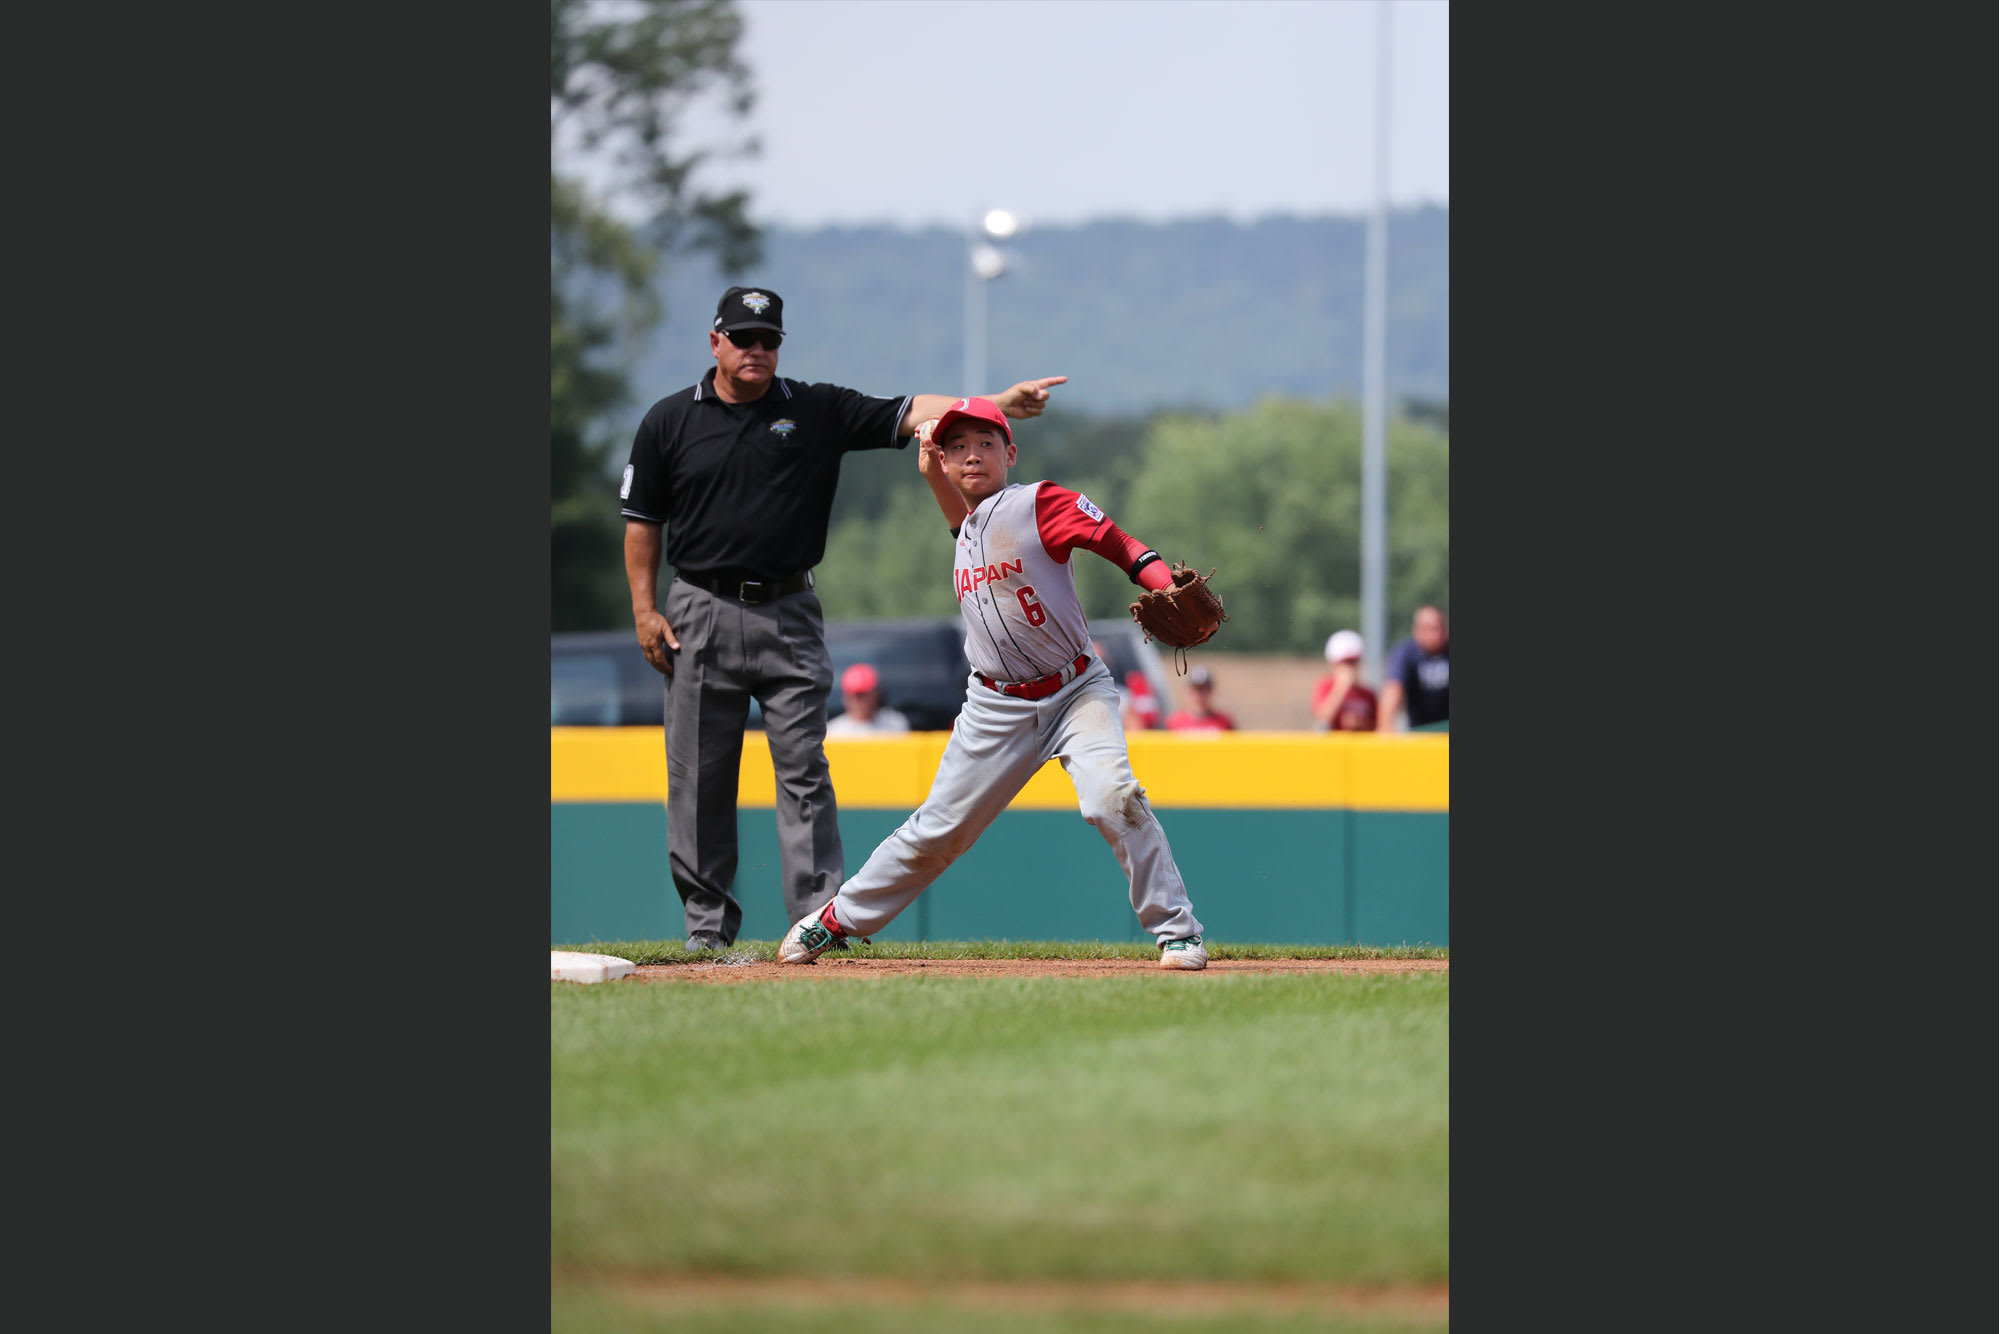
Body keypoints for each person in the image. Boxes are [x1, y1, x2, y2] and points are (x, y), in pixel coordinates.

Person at [620, 284, 1067, 951]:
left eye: (768, 339)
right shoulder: (669, 421)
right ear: (715, 342)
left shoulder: (814, 408)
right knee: (699, 776)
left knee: (804, 769)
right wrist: (645, 609)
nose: (757, 350)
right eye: (743, 338)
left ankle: (816, 922)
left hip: (789, 608)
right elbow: (641, 522)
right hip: (699, 607)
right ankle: (707, 933)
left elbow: (909, 411)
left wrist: (994, 405)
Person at [778, 396, 1210, 970]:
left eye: (985, 443)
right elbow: (956, 511)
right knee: (937, 832)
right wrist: (933, 462)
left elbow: (1122, 545)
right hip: (994, 705)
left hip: (1075, 691)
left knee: (1113, 798)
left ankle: (1177, 930)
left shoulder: (1040, 503)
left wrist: (1162, 581)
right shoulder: (967, 525)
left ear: (1011, 452)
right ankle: (833, 921)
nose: (972, 456)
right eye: (959, 447)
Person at [1377, 605, 1449, 732]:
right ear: (1416, 630)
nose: (1435, 635)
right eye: (1429, 629)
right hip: (1419, 734)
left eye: (1439, 628)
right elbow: (1393, 689)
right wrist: (1385, 725)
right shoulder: (1406, 653)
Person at [1312, 629, 1378, 732]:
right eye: (1345, 662)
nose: (1349, 668)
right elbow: (1322, 717)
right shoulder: (1325, 686)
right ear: (1332, 663)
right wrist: (1342, 687)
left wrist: (1360, 724)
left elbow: (1378, 727)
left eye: (1353, 662)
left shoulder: (1368, 694)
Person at [825, 662, 910, 735]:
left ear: (876, 694)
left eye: (864, 695)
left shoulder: (896, 724)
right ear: (845, 697)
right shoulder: (833, 732)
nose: (859, 701)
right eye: (855, 695)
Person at [1165, 664, 1236, 731]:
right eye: (1196, 688)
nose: (1199, 694)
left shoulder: (1224, 722)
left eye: (1203, 688)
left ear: (1211, 690)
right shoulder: (1174, 722)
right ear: (1187, 690)